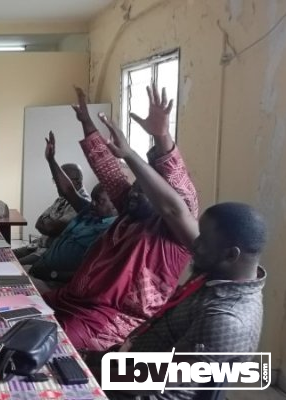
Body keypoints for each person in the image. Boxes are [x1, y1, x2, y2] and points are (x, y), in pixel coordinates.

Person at [43, 84, 199, 351]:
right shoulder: (129, 210)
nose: (133, 194)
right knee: (19, 310)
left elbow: (179, 201)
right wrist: (86, 122)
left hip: (108, 319)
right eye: (134, 187)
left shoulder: (173, 233)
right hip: (73, 299)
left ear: (160, 198)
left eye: (143, 192)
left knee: (46, 347)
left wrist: (162, 138)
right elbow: (105, 167)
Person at [84, 202, 267, 400]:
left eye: (204, 241)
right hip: (126, 366)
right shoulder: (220, 275)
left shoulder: (228, 319)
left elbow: (150, 380)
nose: (195, 244)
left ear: (231, 254)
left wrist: (89, 375)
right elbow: (175, 212)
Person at [28, 183, 117, 291]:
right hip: (39, 269)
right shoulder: (88, 213)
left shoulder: (111, 232)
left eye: (99, 200)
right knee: (8, 274)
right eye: (93, 198)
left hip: (56, 284)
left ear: (115, 203)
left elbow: (89, 275)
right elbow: (67, 190)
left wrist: (52, 274)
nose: (92, 203)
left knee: (12, 286)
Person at [13, 163, 90, 266]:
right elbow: (39, 222)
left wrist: (49, 224)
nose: (57, 184)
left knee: (12, 267)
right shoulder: (62, 198)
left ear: (77, 182)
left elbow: (51, 229)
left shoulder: (82, 204)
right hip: (38, 245)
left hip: (49, 253)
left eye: (61, 181)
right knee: (4, 256)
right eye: (55, 180)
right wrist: (49, 225)